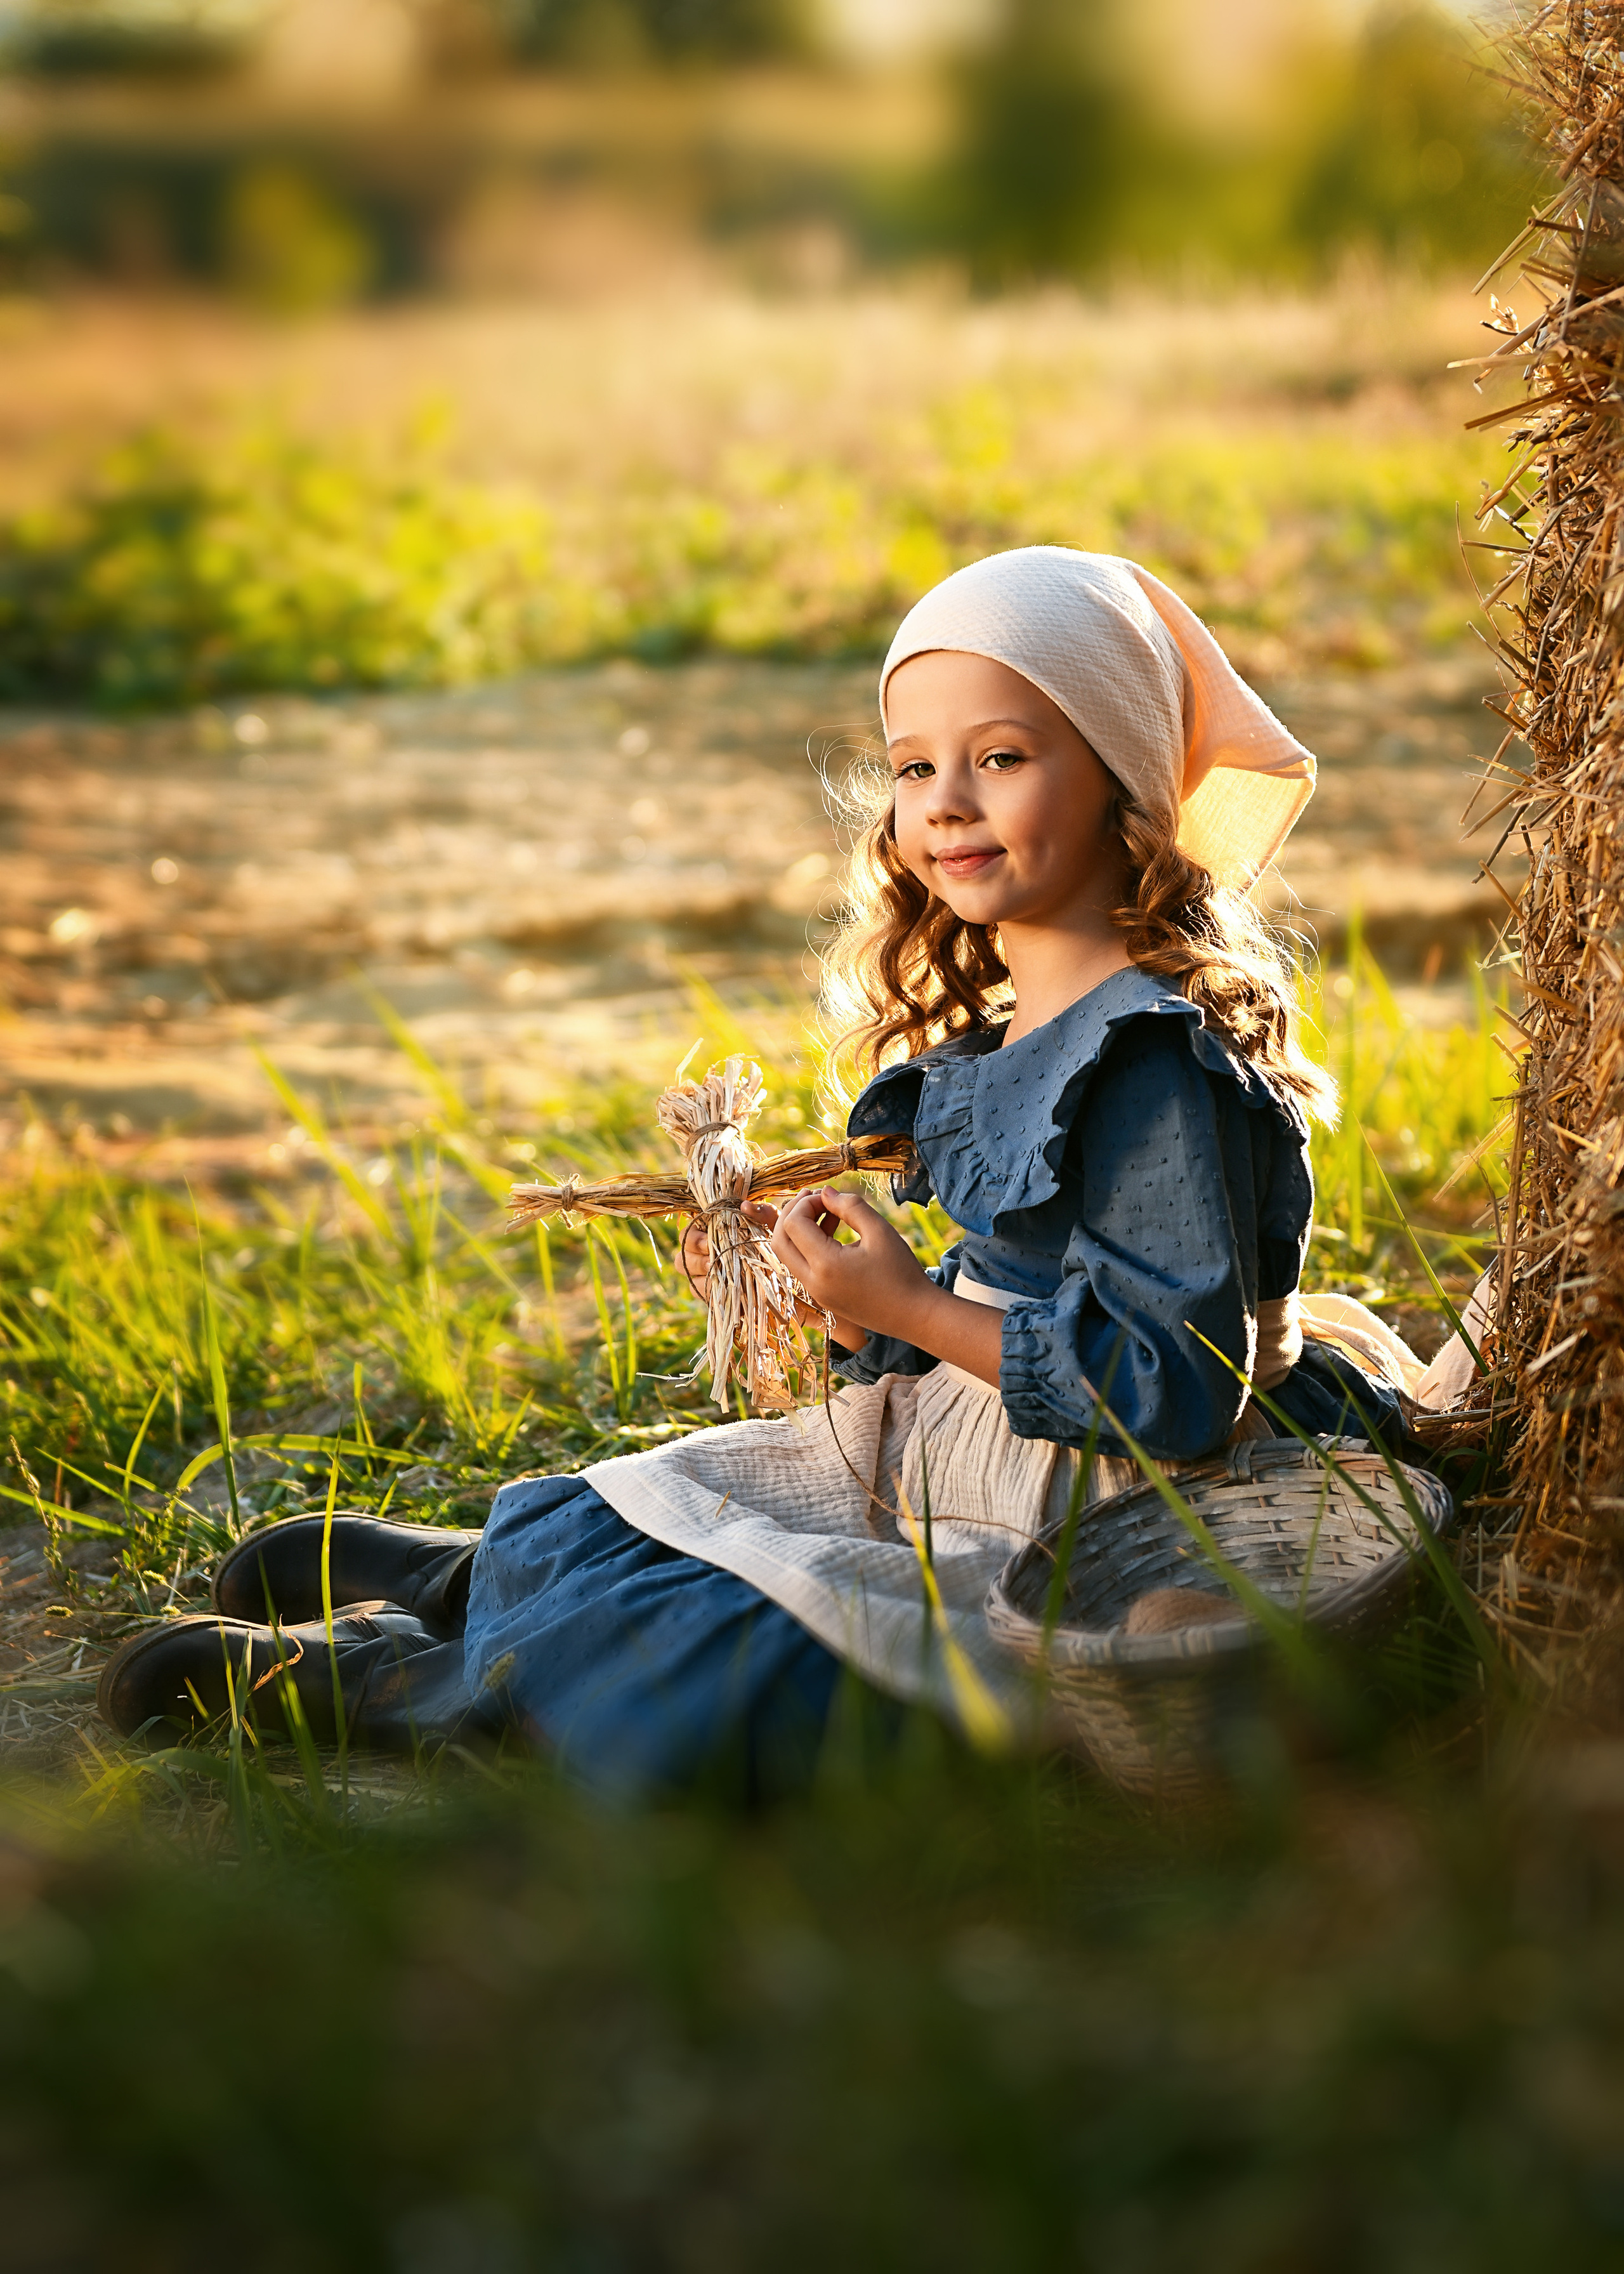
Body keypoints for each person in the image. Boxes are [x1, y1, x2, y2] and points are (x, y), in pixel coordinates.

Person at [98, 547, 1470, 1788]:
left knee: (763, 1668)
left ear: (1118, 782)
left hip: (1120, 1497)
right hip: (987, 1441)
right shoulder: (1016, 1032)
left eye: (1000, 756)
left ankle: (432, 1677)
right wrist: (847, 1302)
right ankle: (481, 1579)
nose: (944, 803)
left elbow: (1175, 1389)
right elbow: (1002, 1301)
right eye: (913, 765)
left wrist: (918, 1315)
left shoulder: (1153, 1064)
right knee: (647, 1496)